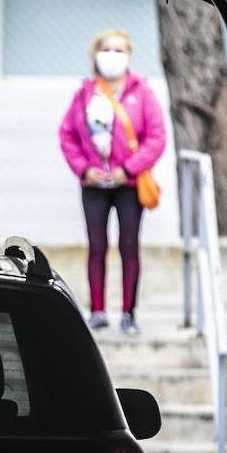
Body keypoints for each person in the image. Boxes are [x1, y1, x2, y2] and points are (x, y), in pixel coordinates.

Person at [58, 29, 167, 335]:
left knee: (129, 245)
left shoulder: (142, 92)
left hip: (129, 185)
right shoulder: (84, 94)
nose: (112, 55)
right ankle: (97, 311)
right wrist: (84, 169)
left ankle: (128, 313)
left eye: (118, 50)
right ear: (95, 54)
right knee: (96, 246)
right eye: (106, 49)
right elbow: (67, 135)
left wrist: (128, 169)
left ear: (129, 55)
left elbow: (156, 137)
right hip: (93, 184)